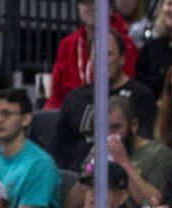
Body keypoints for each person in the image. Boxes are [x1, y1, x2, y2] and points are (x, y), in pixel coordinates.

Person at [50, 27, 159, 170]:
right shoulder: (75, 98)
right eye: (97, 55)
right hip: (78, 178)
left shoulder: (141, 95)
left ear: (122, 58)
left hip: (123, 175)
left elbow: (146, 149)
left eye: (108, 54)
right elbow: (58, 150)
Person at [44, 0, 140, 111]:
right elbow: (56, 94)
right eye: (85, 2)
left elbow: (129, 86)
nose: (90, 7)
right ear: (79, 8)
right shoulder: (67, 44)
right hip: (72, 115)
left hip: (113, 113)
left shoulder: (126, 43)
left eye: (96, 2)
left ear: (110, 8)